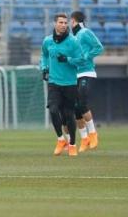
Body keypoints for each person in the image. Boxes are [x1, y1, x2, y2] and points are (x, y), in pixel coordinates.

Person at [40, 13, 83, 157]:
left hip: (70, 83)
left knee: (68, 114)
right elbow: (44, 56)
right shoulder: (47, 41)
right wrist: (44, 68)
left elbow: (81, 60)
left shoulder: (73, 41)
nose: (64, 25)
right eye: (61, 22)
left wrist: (68, 59)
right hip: (53, 82)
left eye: (66, 23)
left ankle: (72, 144)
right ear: (55, 24)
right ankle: (60, 139)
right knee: (53, 110)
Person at [69, 11, 104, 152]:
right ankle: (84, 138)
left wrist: (86, 57)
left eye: (70, 21)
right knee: (76, 108)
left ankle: (93, 133)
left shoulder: (85, 32)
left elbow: (98, 47)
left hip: (86, 72)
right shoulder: (73, 37)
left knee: (82, 102)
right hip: (74, 75)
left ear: (74, 20)